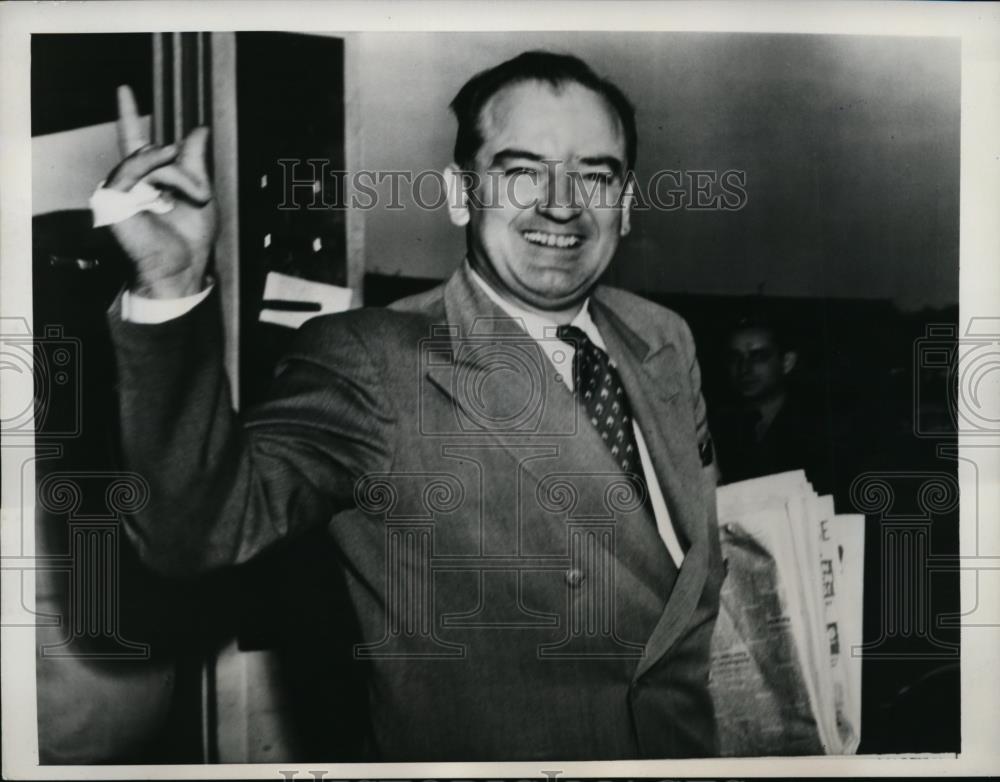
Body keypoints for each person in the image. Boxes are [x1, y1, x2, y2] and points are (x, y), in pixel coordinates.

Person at [103, 51, 723, 760]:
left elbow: (690, 585)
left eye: (596, 175)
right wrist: (171, 287)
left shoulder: (662, 339)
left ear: (628, 202)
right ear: (460, 194)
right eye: (522, 171)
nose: (562, 203)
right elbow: (196, 532)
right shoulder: (374, 360)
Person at [711, 313, 834, 493]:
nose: (744, 368)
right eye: (735, 358)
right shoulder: (716, 427)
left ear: (787, 362)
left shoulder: (821, 425)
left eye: (758, 356)